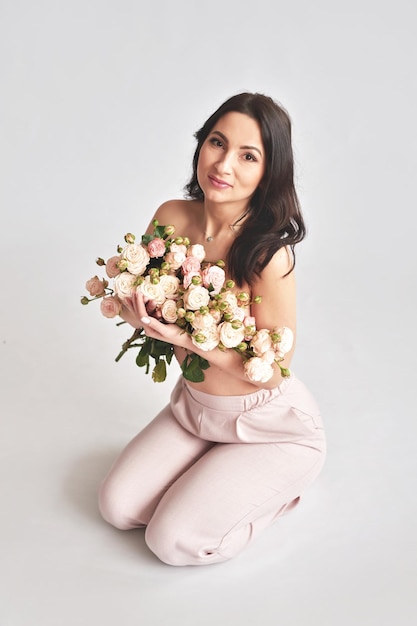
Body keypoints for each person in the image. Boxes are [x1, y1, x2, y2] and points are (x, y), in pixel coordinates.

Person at [98, 92, 326, 566]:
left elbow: (274, 371)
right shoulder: (170, 218)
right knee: (117, 508)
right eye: (217, 143)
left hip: (268, 424)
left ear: (269, 172)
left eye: (248, 156)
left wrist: (184, 338)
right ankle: (211, 471)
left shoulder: (268, 255)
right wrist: (133, 312)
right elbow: (145, 300)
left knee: (171, 542)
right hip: (195, 411)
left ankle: (276, 492)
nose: (224, 164)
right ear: (201, 144)